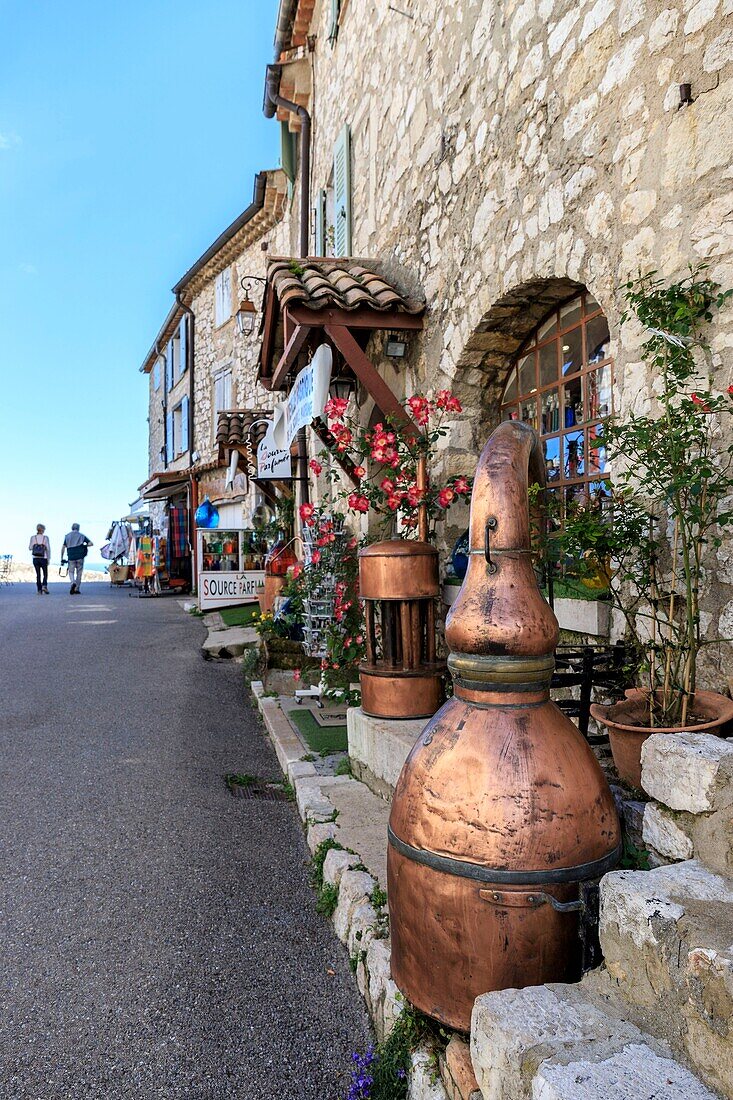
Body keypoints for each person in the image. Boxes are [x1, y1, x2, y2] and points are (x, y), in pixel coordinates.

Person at [62, 523, 93, 595]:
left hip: (71, 556)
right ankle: (77, 589)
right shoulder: (82, 536)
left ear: (71, 528)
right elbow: (91, 543)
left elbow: (63, 547)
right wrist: (84, 545)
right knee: (79, 572)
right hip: (80, 556)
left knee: (71, 571)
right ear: (78, 528)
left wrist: (61, 557)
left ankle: (73, 582)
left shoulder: (67, 536)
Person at [29, 524, 50, 595]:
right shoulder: (45, 538)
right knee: (45, 573)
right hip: (43, 558)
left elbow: (30, 548)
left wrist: (36, 545)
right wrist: (48, 559)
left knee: (38, 574)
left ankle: (39, 590)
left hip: (35, 558)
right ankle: (44, 585)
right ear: (43, 530)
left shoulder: (33, 538)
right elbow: (48, 549)